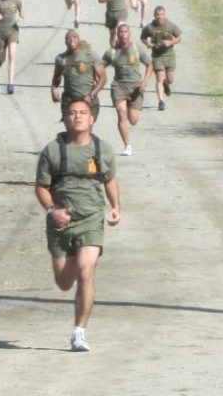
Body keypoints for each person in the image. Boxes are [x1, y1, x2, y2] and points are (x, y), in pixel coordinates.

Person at [35, 97, 121, 352]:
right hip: (61, 222)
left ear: (92, 118)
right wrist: (53, 210)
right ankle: (69, 262)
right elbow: (41, 187)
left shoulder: (102, 149)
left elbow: (110, 180)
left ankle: (79, 332)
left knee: (86, 271)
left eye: (83, 112)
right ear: (65, 118)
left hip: (91, 218)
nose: (78, 117)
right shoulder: (52, 150)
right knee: (64, 282)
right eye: (72, 112)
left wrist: (116, 207)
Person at [102, 22, 153, 156]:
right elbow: (100, 67)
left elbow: (149, 64)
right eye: (121, 32)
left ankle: (133, 109)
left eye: (125, 32)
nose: (123, 34)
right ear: (117, 34)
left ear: (129, 34)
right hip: (118, 86)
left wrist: (144, 82)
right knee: (121, 113)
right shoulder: (111, 52)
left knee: (133, 120)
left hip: (135, 87)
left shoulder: (137, 49)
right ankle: (127, 146)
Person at [51, 29, 107, 121]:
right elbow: (57, 77)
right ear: (65, 42)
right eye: (68, 38)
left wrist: (91, 95)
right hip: (69, 100)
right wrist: (53, 89)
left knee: (86, 129)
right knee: (71, 130)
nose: (71, 39)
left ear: (79, 40)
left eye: (74, 37)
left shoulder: (90, 56)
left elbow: (103, 78)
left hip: (88, 98)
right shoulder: (61, 59)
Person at [140, 5, 182, 111]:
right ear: (154, 16)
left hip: (169, 55)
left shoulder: (170, 26)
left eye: (162, 14)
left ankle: (166, 84)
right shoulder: (150, 27)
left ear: (165, 14)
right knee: (159, 77)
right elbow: (142, 37)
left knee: (170, 79)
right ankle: (161, 101)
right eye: (158, 15)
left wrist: (171, 42)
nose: (160, 17)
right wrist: (148, 43)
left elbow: (179, 37)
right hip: (157, 56)